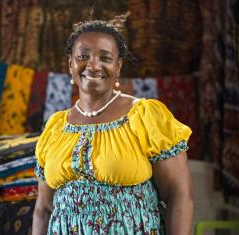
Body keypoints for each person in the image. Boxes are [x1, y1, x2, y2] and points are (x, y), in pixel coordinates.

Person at [32, 14, 193, 235]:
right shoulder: (55, 127)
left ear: (118, 67)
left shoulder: (145, 116)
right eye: (83, 56)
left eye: (105, 58)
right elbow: (43, 209)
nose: (93, 65)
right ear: (71, 64)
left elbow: (179, 196)